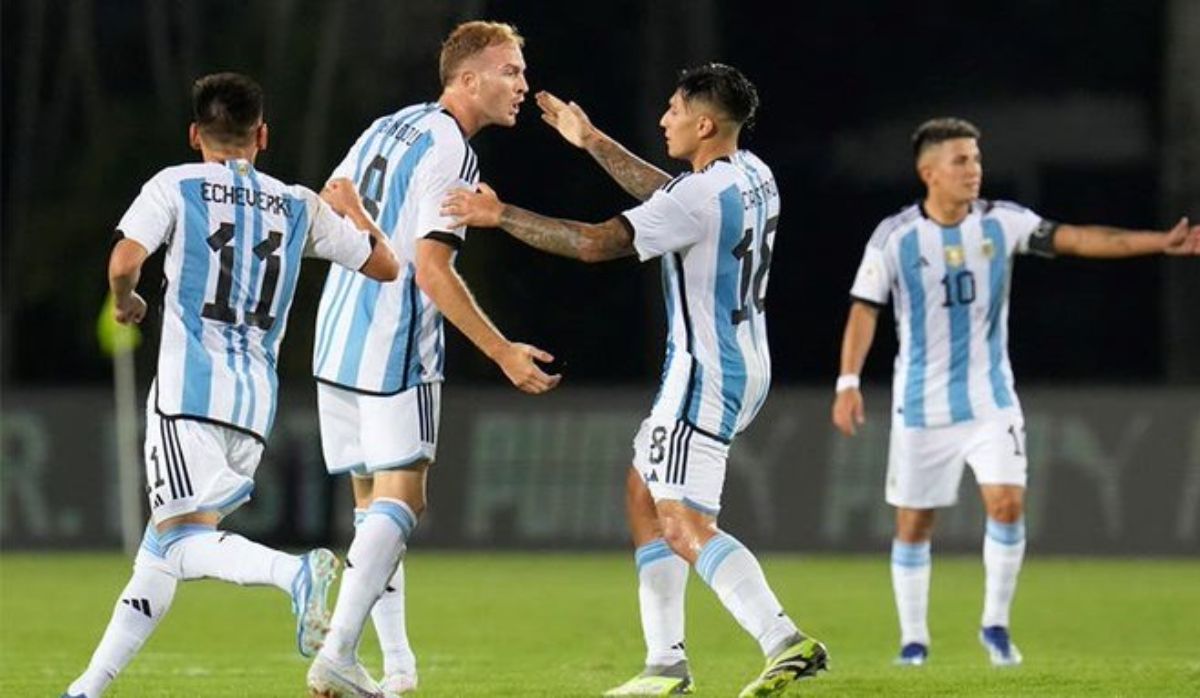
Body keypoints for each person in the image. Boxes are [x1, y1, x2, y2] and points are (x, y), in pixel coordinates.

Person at [443, 63, 828, 698]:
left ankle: (782, 639)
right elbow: (670, 196)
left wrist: (500, 214)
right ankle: (665, 664)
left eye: (675, 110)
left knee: (682, 524)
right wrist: (592, 140)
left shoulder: (697, 198)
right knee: (642, 492)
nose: (664, 119)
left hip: (704, 372)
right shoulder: (751, 174)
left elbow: (596, 244)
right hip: (746, 361)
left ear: (705, 126)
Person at [62, 72, 399, 698]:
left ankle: (293, 573)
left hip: (188, 392)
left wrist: (126, 300)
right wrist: (354, 209)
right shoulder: (298, 204)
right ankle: (87, 688)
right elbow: (385, 265)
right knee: (160, 550)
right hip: (253, 404)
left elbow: (124, 260)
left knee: (181, 541)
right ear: (262, 135)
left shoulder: (175, 184)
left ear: (196, 134)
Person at [831, 117, 1200, 667]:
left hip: (991, 400)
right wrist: (848, 382)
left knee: (1006, 504)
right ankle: (914, 641)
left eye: (976, 159)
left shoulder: (1002, 222)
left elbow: (1077, 238)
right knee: (914, 523)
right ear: (929, 172)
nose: (974, 170)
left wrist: (1159, 242)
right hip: (922, 406)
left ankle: (996, 627)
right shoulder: (895, 236)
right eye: (961, 160)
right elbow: (865, 309)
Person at [306, 20, 560, 697]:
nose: (522, 85)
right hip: (395, 345)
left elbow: (331, 200)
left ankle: (398, 667)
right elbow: (431, 271)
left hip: (337, 336)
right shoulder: (453, 152)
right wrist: (502, 351)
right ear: (467, 80)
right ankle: (337, 652)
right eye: (510, 71)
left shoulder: (390, 125)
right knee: (404, 501)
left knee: (373, 511)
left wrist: (371, 231)